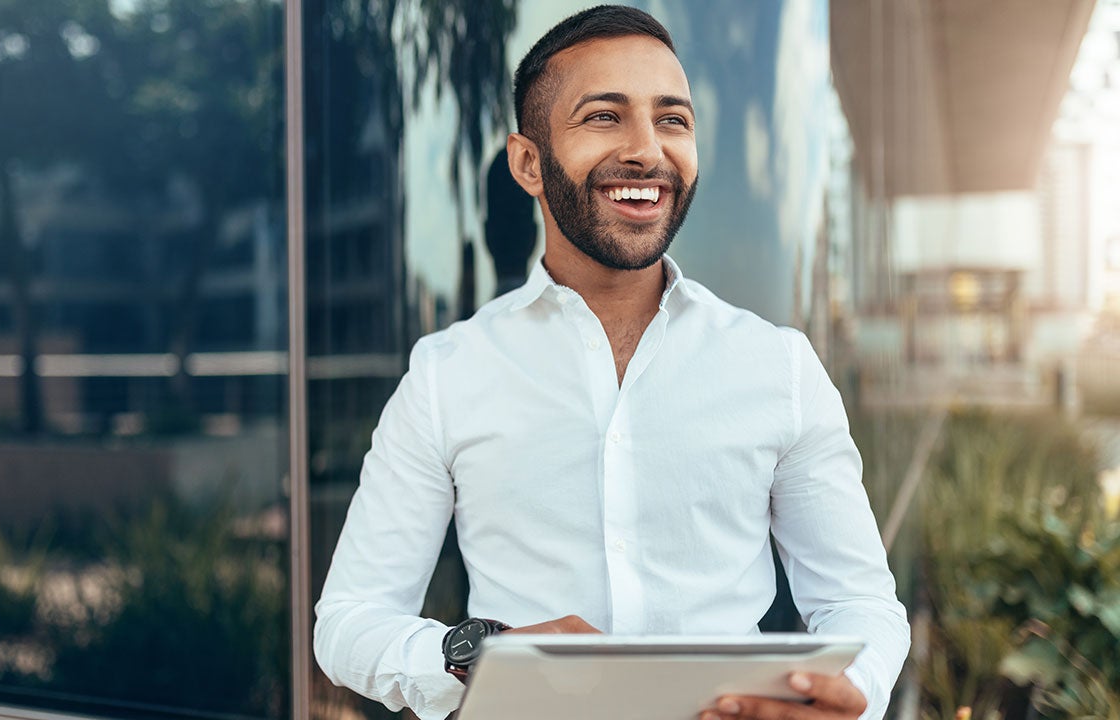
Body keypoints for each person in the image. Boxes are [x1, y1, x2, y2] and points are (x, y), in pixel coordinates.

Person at [313, 6, 910, 720]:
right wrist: (482, 651)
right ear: (528, 163)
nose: (646, 151)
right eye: (604, 117)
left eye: (673, 120)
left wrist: (851, 695)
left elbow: (859, 603)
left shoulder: (778, 367)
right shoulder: (446, 376)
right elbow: (348, 621)